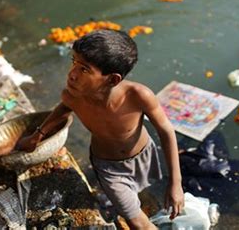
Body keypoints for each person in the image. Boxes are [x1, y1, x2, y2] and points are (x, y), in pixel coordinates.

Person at [16, 29, 184, 229]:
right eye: (74, 62)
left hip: (143, 155)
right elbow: (62, 109)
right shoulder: (73, 96)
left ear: (112, 79)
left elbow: (166, 131)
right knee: (137, 222)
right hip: (109, 167)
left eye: (84, 69)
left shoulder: (138, 96)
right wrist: (38, 135)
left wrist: (176, 183)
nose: (72, 74)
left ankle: (143, 202)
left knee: (145, 192)